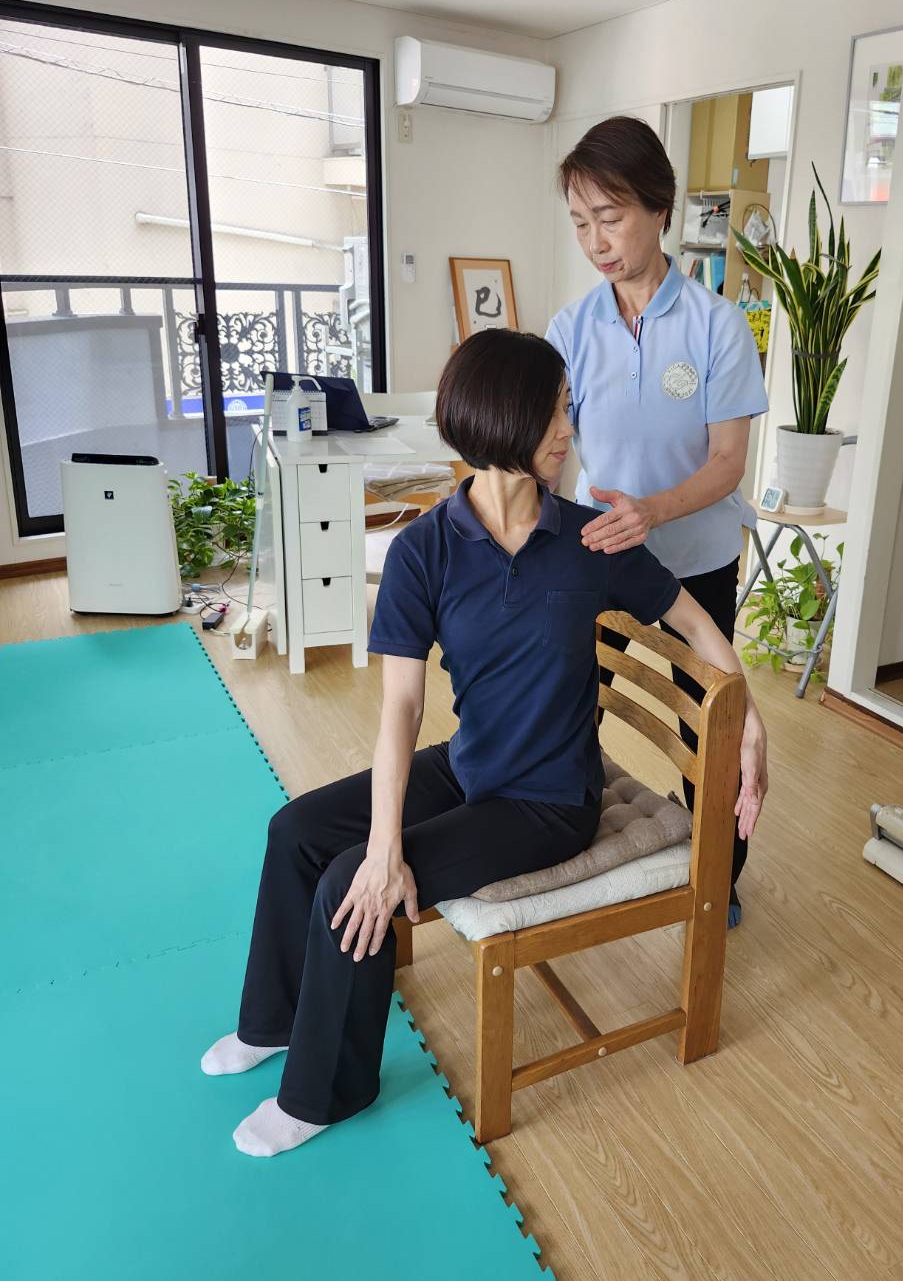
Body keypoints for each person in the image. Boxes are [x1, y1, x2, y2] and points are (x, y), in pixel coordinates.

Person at [200, 329, 767, 1157]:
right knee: (297, 832)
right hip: (471, 768)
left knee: (347, 884)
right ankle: (274, 1021)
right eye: (555, 412)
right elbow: (401, 708)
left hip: (549, 804)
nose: (570, 429)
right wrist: (385, 845)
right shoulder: (424, 550)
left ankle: (328, 1092)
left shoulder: (589, 540)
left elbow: (692, 618)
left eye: (568, 408)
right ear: (505, 421)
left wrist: (751, 717)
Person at [546, 115, 770, 924]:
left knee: (708, 724)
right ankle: (557, 837)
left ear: (659, 207)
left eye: (609, 218)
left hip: (697, 561)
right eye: (581, 223)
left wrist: (653, 510)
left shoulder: (718, 326)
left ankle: (718, 875)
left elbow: (728, 461)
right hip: (600, 555)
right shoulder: (572, 329)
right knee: (568, 706)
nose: (595, 242)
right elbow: (553, 450)